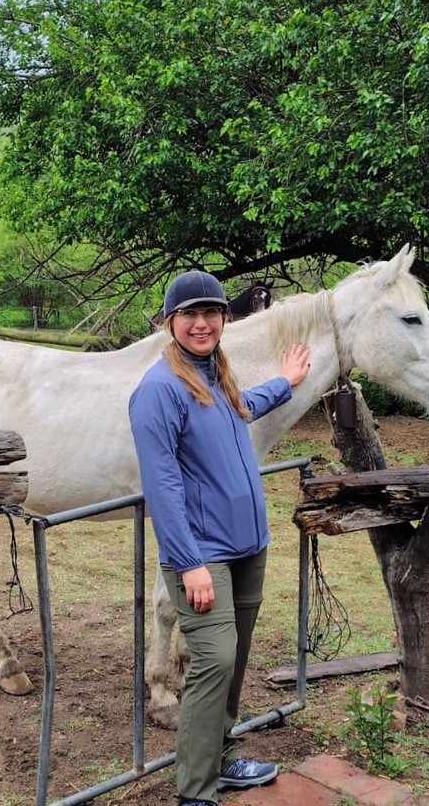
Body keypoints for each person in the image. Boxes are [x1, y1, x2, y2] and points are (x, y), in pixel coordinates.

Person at [128, 270, 311, 806]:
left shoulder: (217, 376)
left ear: (224, 319)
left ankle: (224, 757)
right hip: (203, 556)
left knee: (234, 657)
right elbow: (161, 487)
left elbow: (244, 407)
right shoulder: (159, 391)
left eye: (211, 312)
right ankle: (195, 791)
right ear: (170, 322)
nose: (202, 322)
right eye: (190, 314)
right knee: (215, 659)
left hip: (248, 546)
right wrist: (188, 564)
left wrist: (286, 381)